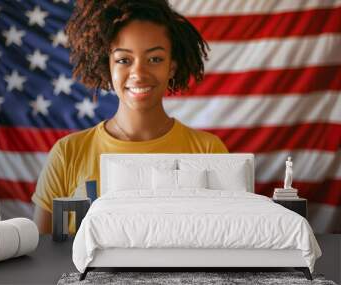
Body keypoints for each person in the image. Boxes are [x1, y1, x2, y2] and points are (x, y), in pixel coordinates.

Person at [32, 0, 228, 234]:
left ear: (172, 67)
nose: (139, 74)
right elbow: (43, 253)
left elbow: (225, 238)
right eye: (124, 60)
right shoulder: (67, 153)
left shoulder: (208, 150)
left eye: (155, 59)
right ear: (108, 66)